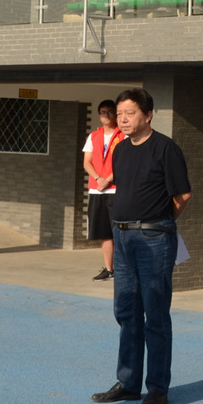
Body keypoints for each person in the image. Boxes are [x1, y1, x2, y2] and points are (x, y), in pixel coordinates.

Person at [91, 88, 192, 404]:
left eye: (130, 113)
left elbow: (182, 196)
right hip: (122, 239)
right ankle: (129, 383)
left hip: (154, 239)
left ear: (147, 115)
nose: (122, 119)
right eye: (120, 113)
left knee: (155, 315)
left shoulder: (165, 148)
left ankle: (157, 388)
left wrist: (160, 222)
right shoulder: (121, 150)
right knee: (126, 312)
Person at [83, 99, 124, 281]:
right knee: (104, 232)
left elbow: (124, 162)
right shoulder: (94, 136)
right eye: (102, 112)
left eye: (109, 112)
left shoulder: (123, 135)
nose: (106, 115)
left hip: (116, 190)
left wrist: (108, 180)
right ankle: (109, 269)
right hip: (97, 190)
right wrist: (99, 179)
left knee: (120, 231)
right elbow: (87, 162)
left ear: (115, 114)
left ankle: (123, 268)